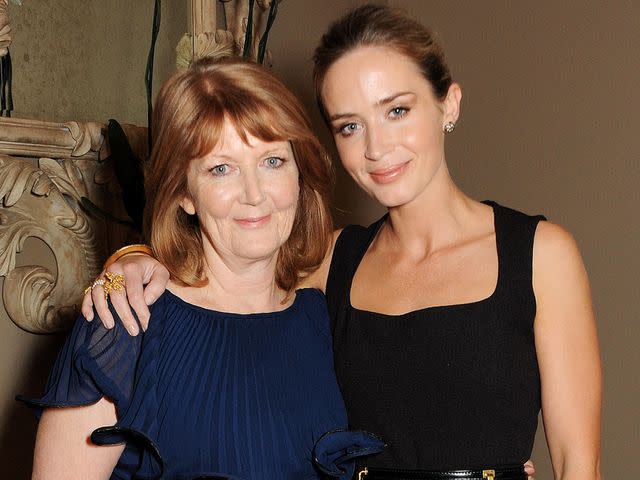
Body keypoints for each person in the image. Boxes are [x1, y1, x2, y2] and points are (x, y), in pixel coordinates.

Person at [83, 4, 602, 480]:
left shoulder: (539, 255)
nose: (377, 146)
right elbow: (219, 281)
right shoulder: (330, 260)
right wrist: (130, 259)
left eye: (397, 110)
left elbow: (580, 461)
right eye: (350, 125)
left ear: (450, 103)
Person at [19, 57, 384, 480]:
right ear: (184, 194)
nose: (254, 194)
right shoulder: (125, 322)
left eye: (272, 161)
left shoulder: (324, 318)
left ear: (300, 174)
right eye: (221, 168)